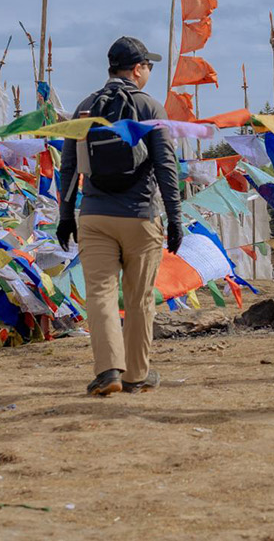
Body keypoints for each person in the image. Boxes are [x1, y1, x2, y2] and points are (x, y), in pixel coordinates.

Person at [56, 36, 183, 396]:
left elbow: (68, 167)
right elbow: (165, 166)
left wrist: (66, 216)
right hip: (141, 217)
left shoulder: (85, 107)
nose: (149, 73)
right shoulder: (150, 108)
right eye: (148, 67)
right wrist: (175, 218)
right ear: (137, 69)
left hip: (94, 216)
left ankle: (109, 371)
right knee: (140, 297)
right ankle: (136, 375)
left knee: (100, 293)